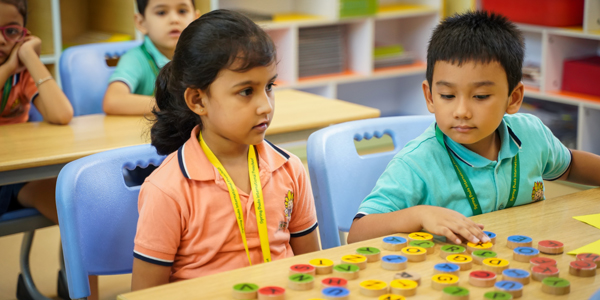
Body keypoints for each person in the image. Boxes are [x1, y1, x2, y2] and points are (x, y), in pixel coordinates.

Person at [347, 11, 600, 245]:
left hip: (521, 266)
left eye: (480, 96)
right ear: (430, 97)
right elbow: (358, 232)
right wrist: (419, 215)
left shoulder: (531, 133)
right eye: (447, 95)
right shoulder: (416, 163)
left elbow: (569, 166)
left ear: (513, 98)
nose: (461, 111)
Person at [131, 10, 320, 290]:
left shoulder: (289, 168)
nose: (265, 106)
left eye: (269, 87)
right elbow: (146, 295)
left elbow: (311, 267)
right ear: (198, 100)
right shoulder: (168, 189)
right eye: (246, 91)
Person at [0, 0, 73, 223]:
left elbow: (61, 114)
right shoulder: (12, 69)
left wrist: (29, 56)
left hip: (17, 175)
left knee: (71, 199)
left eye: (11, 31)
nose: (1, 40)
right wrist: (8, 68)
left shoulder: (20, 76)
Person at [102, 0, 199, 115]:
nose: (174, 19)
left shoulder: (202, 55)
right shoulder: (135, 59)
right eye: (161, 12)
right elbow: (113, 101)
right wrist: (177, 105)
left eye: (182, 11)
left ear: (196, 19)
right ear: (141, 22)